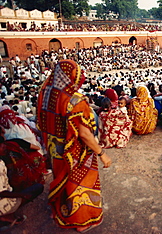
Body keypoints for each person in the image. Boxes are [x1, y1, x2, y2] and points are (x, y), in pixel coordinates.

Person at [37, 60, 111, 232]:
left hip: (54, 148)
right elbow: (84, 134)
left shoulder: (45, 93)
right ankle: (80, 220)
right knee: (80, 183)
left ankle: (62, 208)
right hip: (75, 151)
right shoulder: (75, 100)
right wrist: (101, 154)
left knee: (61, 177)